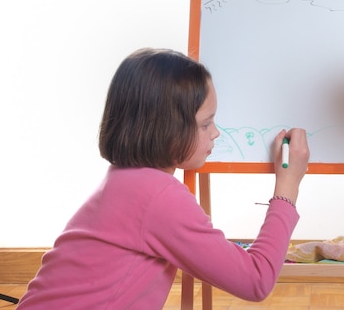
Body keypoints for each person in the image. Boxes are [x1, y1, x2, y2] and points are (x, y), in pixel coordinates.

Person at [17, 48, 309, 309]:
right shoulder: (158, 197)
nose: (216, 133)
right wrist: (287, 186)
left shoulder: (125, 181)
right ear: (168, 131)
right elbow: (255, 280)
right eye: (206, 123)